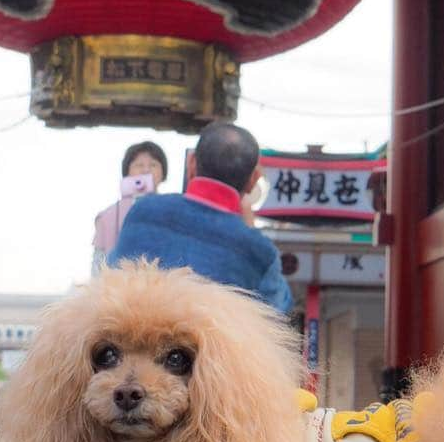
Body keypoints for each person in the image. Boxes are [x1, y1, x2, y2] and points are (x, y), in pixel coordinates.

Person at [109, 121, 293, 313]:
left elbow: (111, 276)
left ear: (192, 163)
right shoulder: (259, 253)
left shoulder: (143, 211)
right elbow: (279, 311)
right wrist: (250, 229)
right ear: (253, 180)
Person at [92, 139, 169, 271]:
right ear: (127, 171)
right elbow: (98, 263)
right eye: (139, 165)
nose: (146, 170)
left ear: (163, 174)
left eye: (153, 165)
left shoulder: (174, 210)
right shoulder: (107, 216)